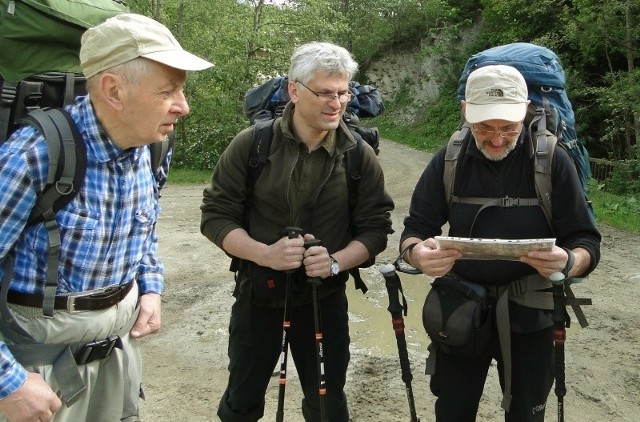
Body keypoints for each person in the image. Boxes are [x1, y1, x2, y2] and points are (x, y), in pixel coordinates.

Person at [0, 13, 213, 422]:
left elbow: (146, 230)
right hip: (36, 369)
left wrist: (149, 287)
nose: (183, 107)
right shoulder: (34, 156)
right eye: (167, 91)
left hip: (117, 355)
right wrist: (10, 382)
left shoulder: (152, 149)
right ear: (113, 90)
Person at [200, 41, 394, 421]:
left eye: (342, 92)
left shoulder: (358, 155)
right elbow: (216, 216)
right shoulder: (252, 145)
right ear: (294, 90)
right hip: (258, 294)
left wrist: (336, 262)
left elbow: (376, 230)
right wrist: (263, 253)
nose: (335, 103)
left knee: (327, 405)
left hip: (325, 299)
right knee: (241, 401)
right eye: (324, 92)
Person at [399, 65, 601, 421]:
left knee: (527, 414)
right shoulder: (449, 158)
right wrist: (417, 254)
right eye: (484, 127)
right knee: (452, 413)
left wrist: (568, 261)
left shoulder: (552, 159)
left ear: (524, 109)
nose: (496, 139)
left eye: (508, 128)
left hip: (532, 314)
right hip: (460, 310)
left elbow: (586, 240)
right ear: (465, 111)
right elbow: (415, 227)